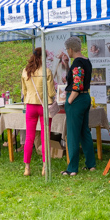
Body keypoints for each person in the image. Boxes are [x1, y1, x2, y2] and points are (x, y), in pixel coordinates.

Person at [62, 36, 96, 175]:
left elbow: (77, 85)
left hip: (76, 99)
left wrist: (69, 101)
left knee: (72, 135)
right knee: (84, 132)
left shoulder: (77, 63)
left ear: (70, 49)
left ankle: (72, 168)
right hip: (85, 97)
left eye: (67, 50)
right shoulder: (86, 61)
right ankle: (91, 164)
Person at [21, 48, 56, 176]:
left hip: (30, 105)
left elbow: (24, 91)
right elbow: (51, 92)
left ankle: (27, 168)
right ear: (43, 58)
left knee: (29, 137)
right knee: (45, 137)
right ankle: (44, 167)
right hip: (44, 106)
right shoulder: (47, 71)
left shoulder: (25, 71)